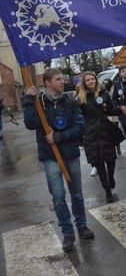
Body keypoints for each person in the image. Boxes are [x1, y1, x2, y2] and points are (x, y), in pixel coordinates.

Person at [23, 68, 95, 251]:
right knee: (58, 197)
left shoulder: (70, 102)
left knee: (77, 193)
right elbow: (31, 124)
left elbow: (80, 126)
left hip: (70, 154)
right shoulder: (39, 103)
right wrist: (28, 101)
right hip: (50, 157)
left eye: (62, 79)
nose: (62, 82)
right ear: (47, 82)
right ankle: (67, 233)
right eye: (58, 79)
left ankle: (82, 225)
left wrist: (59, 137)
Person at [77, 72, 125, 202]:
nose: (91, 81)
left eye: (93, 79)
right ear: (84, 83)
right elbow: (79, 117)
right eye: (88, 80)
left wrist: (121, 109)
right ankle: (107, 189)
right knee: (98, 163)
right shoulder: (81, 98)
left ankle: (111, 177)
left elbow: (110, 110)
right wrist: (81, 135)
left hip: (105, 130)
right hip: (91, 133)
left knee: (111, 159)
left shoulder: (104, 94)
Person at [102, 78, 122, 156]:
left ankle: (118, 146)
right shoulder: (103, 92)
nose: (105, 85)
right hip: (106, 113)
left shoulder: (114, 89)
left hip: (114, 111)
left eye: (106, 83)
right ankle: (114, 145)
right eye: (104, 83)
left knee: (115, 128)